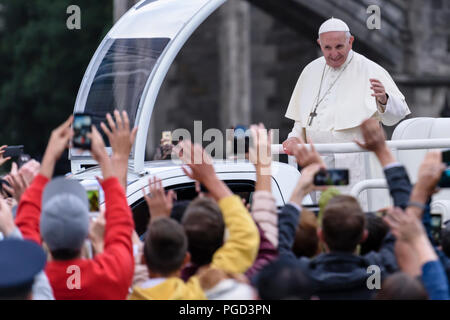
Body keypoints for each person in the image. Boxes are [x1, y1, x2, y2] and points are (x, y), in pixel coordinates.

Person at [282, 17, 410, 202]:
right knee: (324, 212)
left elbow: (395, 117)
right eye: (327, 48)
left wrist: (384, 99)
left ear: (350, 42)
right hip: (321, 161)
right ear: (320, 44)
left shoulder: (370, 69)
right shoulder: (310, 71)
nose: (334, 54)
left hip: (354, 161)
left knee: (351, 211)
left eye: (339, 47)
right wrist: (294, 138)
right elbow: (302, 120)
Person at [15, 111, 137, 299]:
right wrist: (109, 159)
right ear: (87, 234)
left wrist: (48, 159)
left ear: (43, 238)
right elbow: (121, 226)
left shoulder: (31, 278)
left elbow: (23, 229)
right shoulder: (111, 276)